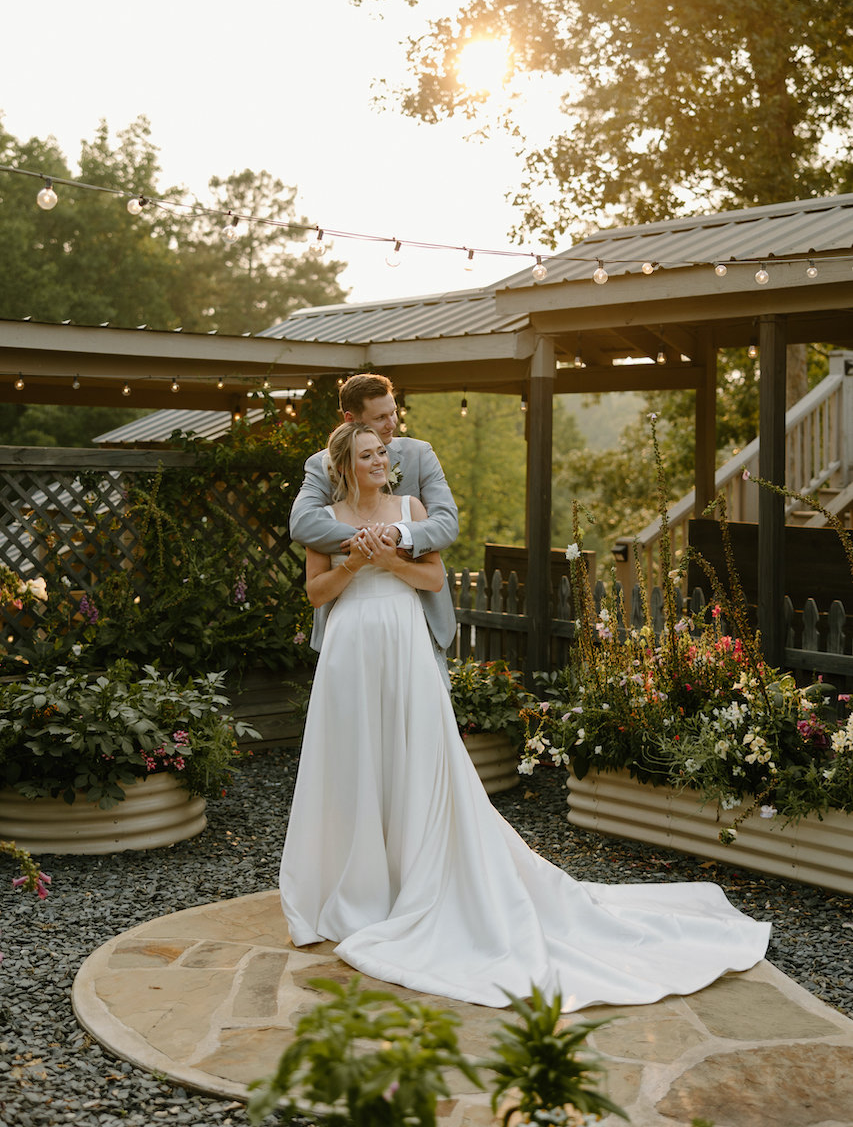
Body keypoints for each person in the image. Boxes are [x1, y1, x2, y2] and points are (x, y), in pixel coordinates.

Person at [279, 422, 771, 1011]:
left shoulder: (410, 508)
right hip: (349, 648)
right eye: (368, 455)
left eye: (383, 452)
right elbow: (315, 593)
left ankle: (413, 882)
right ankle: (355, 889)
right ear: (345, 465)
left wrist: (392, 557)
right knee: (353, 762)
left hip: (404, 643)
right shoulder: (326, 519)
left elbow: (432, 577)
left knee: (414, 757)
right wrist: (356, 563)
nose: (381, 459)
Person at [289, 372, 458, 681]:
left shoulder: (420, 454)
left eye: (393, 412)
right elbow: (303, 523)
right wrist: (369, 543)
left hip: (419, 614)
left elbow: (447, 523)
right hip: (350, 621)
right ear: (351, 419)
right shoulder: (323, 464)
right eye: (380, 417)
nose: (391, 423)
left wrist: (398, 534)